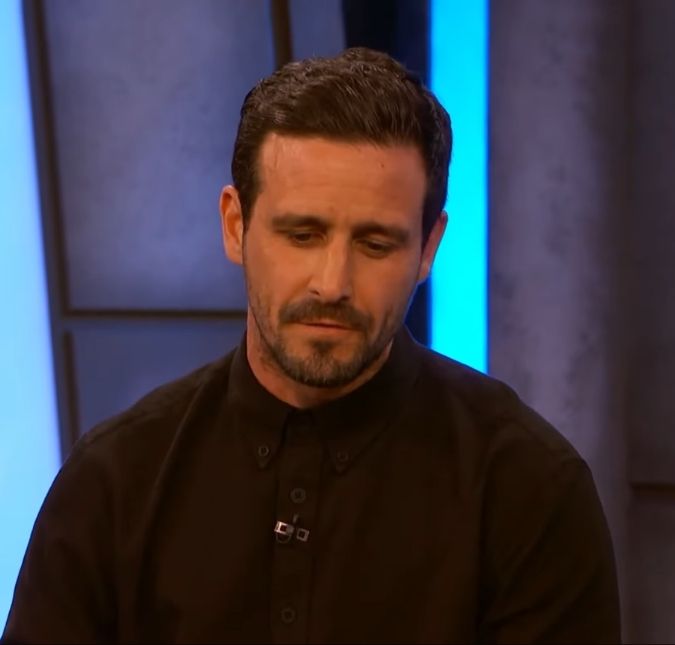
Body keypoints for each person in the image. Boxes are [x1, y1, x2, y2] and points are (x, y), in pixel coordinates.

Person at [2, 47, 620, 644]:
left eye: (375, 244)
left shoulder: (529, 489)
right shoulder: (115, 481)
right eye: (302, 234)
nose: (333, 283)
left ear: (429, 247)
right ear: (236, 226)